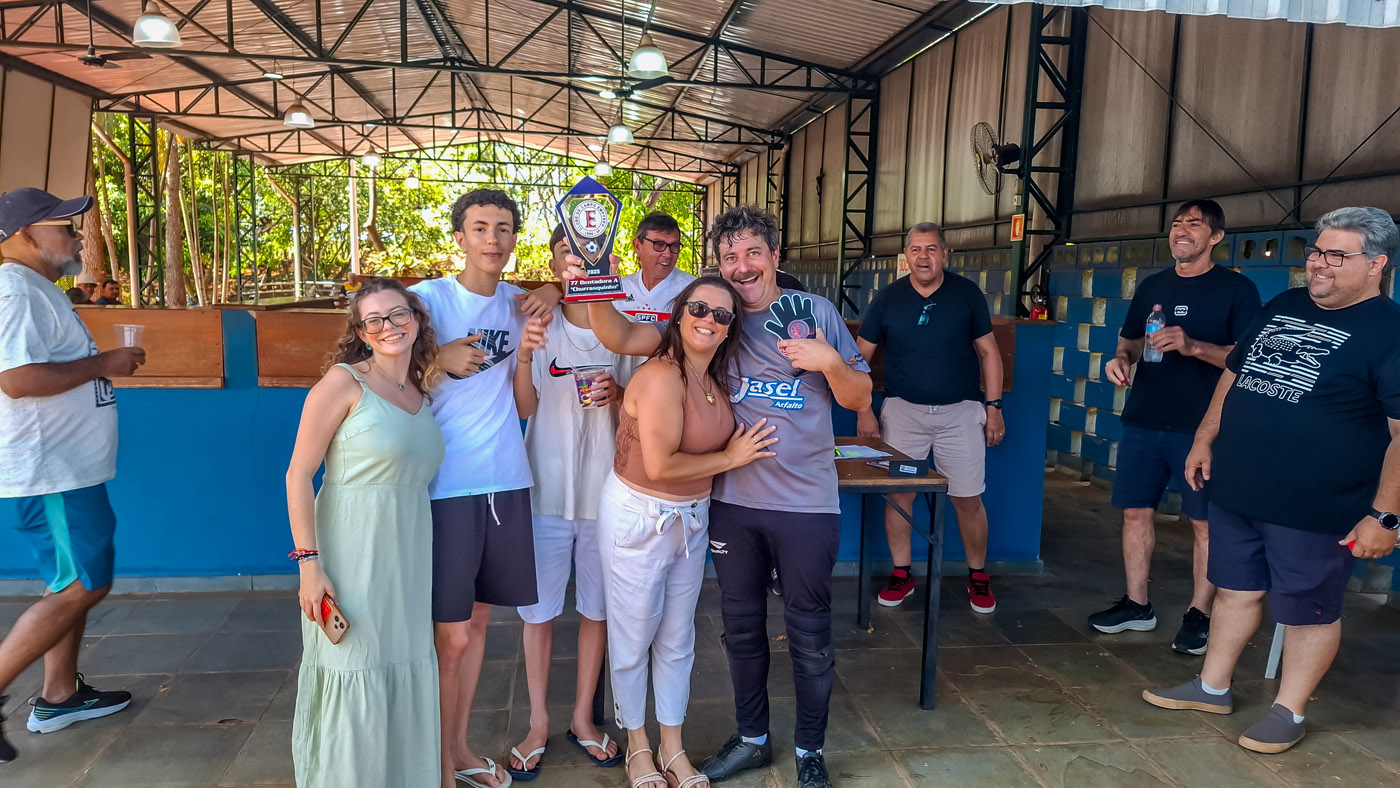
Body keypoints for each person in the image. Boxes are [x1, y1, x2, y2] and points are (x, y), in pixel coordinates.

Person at [575, 205, 871, 788]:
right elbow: (620, 334)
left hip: (806, 503)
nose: (742, 266)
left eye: (753, 253)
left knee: (810, 632)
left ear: (775, 257)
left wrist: (830, 361)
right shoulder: (710, 323)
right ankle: (752, 738)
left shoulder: (814, 313)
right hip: (731, 504)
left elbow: (860, 395)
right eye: (730, 257)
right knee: (740, 629)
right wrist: (591, 277)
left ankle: (810, 749)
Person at [1143, 206, 1400, 754]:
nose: (1319, 264)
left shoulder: (1390, 330)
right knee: (1234, 590)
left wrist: (1385, 516)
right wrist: (1204, 437)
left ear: (1377, 264)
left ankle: (1289, 710)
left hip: (1316, 502)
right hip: (1239, 485)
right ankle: (1212, 687)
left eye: (1337, 256)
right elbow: (1236, 372)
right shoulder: (1284, 303)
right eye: (1317, 252)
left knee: (1309, 608)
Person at [600, 276, 775, 788]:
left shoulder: (712, 378)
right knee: (633, 637)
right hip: (640, 516)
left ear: (730, 329)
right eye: (699, 308)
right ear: (679, 314)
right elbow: (660, 466)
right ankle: (638, 746)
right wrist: (731, 458)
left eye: (722, 315)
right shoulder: (661, 375)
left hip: (691, 519)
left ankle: (672, 748)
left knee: (678, 639)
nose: (709, 320)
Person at [408, 189, 551, 788]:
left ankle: (460, 747)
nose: (493, 238)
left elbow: (526, 406)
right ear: (460, 236)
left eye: (504, 228)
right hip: (447, 485)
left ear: (516, 237)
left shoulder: (519, 306)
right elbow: (376, 370)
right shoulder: (426, 301)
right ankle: (437, 762)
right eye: (480, 227)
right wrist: (436, 357)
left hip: (506, 481)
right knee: (450, 635)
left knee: (480, 623)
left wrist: (551, 295)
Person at [0, 187, 145, 765]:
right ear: (23, 234)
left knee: (67, 581)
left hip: (66, 469)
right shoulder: (15, 289)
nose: (78, 235)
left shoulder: (36, 288)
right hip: (51, 471)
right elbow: (17, 380)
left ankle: (61, 695)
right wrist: (103, 363)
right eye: (64, 226)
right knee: (86, 583)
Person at [286, 277, 445, 787]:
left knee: (401, 660)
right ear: (360, 332)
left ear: (416, 319)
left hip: (408, 551)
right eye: (373, 320)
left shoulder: (419, 390)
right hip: (352, 549)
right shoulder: (343, 383)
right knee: (354, 663)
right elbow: (297, 475)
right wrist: (309, 567)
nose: (388, 326)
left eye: (398, 314)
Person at [1093, 199, 1261, 655]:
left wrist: (1193, 346)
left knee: (1204, 524)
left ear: (1216, 237)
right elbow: (1130, 340)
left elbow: (1247, 361)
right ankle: (1136, 604)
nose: (1182, 230)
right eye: (1177, 223)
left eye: (1194, 224)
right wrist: (1121, 359)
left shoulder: (1236, 290)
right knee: (1135, 513)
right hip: (1144, 419)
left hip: (1202, 428)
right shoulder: (1153, 285)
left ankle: (1199, 614)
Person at [506, 226, 625, 780]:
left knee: (597, 611)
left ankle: (582, 718)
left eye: (588, 252)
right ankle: (537, 723)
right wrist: (524, 357)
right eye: (565, 253)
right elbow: (523, 408)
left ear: (606, 260)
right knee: (539, 615)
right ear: (554, 265)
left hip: (608, 493)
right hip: (545, 491)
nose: (577, 262)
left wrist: (619, 394)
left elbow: (640, 408)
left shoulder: (622, 326)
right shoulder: (538, 324)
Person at [855, 222, 1005, 613]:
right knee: (899, 495)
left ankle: (978, 576)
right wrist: (864, 410)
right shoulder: (888, 298)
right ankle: (902, 574)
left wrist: (994, 408)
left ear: (945, 254)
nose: (923, 257)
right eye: (916, 249)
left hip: (961, 413)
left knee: (967, 498)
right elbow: (858, 359)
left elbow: (989, 353)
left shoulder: (966, 294)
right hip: (903, 414)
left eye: (932, 249)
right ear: (906, 256)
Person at [616, 212, 695, 323]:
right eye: (659, 245)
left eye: (674, 246)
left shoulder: (692, 291)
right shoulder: (619, 290)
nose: (668, 254)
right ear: (637, 246)